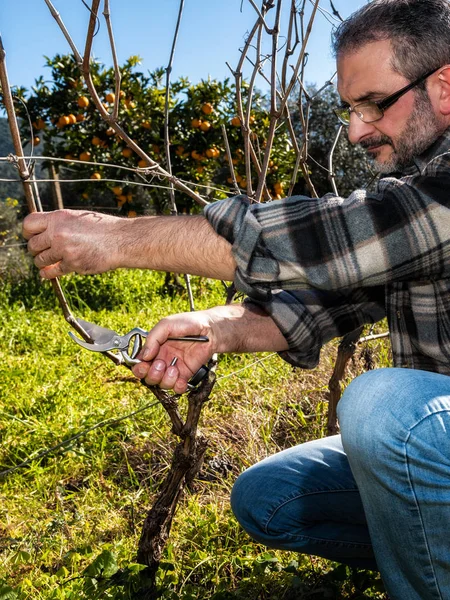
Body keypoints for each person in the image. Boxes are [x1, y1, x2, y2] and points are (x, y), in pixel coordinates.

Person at [22, 0, 450, 597]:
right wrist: (215, 327)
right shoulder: (417, 186)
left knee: (383, 408)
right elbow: (329, 299)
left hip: (425, 428)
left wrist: (114, 238)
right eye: (349, 109)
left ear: (444, 85)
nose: (356, 130)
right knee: (270, 498)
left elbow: (332, 244)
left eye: (374, 104)